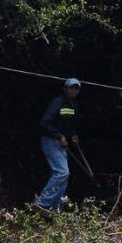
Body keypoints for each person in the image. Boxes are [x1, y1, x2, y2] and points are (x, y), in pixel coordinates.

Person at [35, 77, 82, 213]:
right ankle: (42, 202)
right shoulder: (58, 102)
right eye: (71, 87)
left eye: (76, 88)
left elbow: (69, 124)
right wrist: (60, 136)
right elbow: (44, 124)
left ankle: (56, 209)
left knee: (63, 176)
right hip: (50, 141)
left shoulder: (74, 105)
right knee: (62, 173)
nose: (74, 90)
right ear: (65, 88)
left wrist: (73, 134)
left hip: (61, 143)